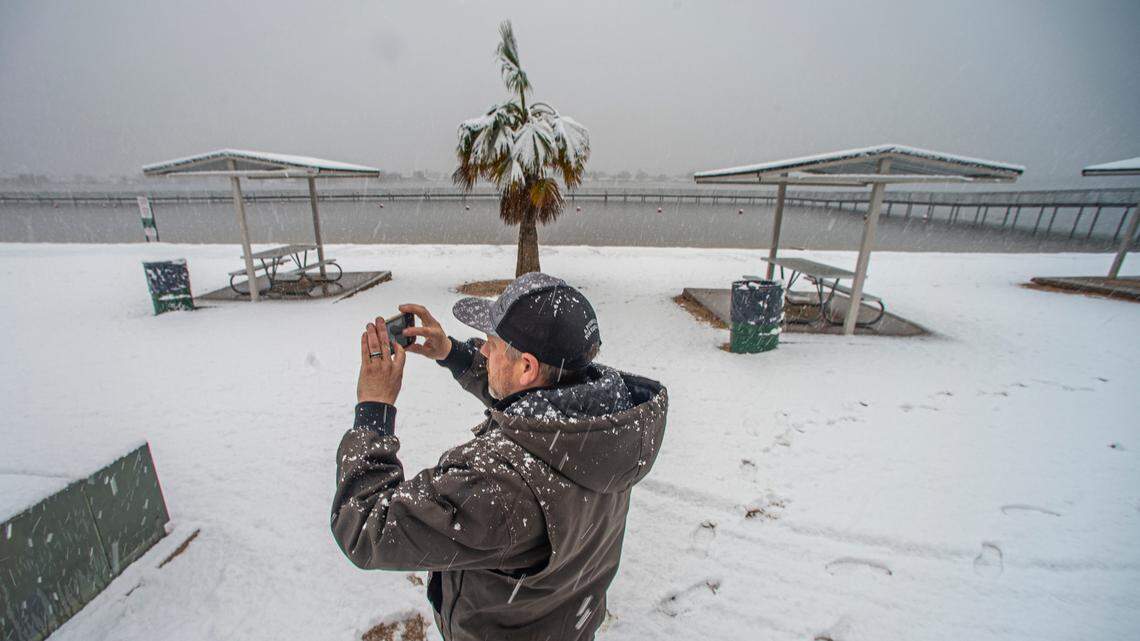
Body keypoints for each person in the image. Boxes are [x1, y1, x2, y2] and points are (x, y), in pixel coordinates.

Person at [330, 272, 668, 641]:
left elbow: (364, 527)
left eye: (491, 343)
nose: (484, 351)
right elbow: (532, 409)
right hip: (566, 620)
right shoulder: (608, 425)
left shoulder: (497, 485)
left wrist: (374, 409)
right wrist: (451, 353)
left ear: (526, 367)